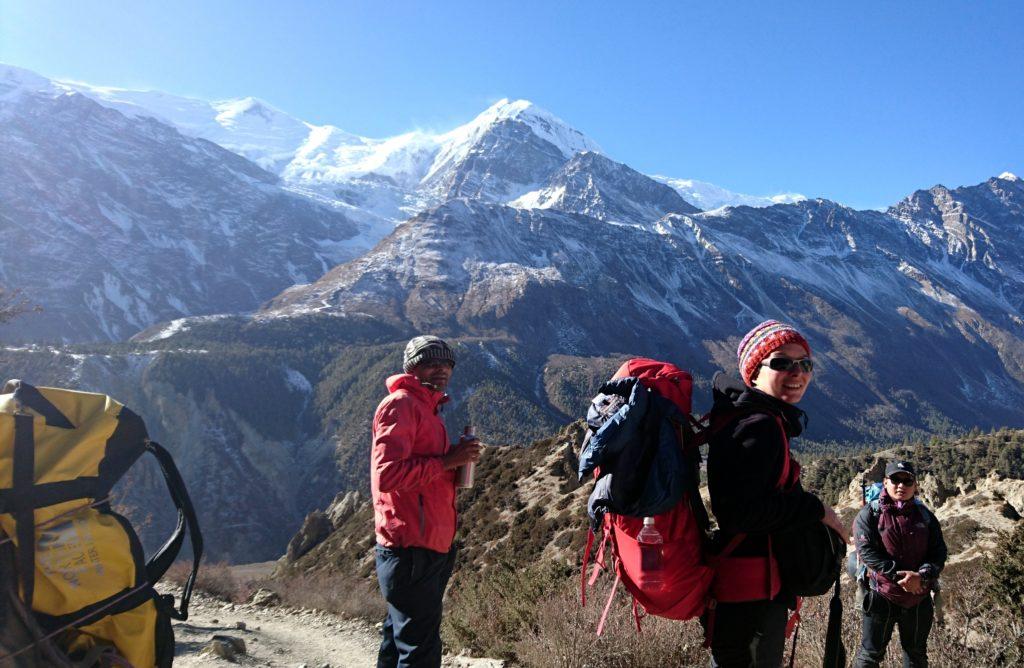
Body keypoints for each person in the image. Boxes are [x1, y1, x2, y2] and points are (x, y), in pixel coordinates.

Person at [705, 319, 848, 667]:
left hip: (742, 590)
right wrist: (816, 510)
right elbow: (742, 512)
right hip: (752, 593)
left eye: (805, 364)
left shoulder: (747, 418)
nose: (796, 372)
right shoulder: (759, 426)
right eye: (782, 362)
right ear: (754, 372)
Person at [370, 335, 482, 668]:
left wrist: (453, 461)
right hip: (411, 548)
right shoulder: (401, 405)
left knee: (398, 641)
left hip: (428, 545)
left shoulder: (427, 410)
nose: (442, 369)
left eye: (447, 363)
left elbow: (422, 476)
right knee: (420, 652)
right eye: (431, 362)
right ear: (412, 366)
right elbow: (387, 476)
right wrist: (447, 462)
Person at [852, 461, 947, 668]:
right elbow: (866, 552)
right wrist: (902, 577)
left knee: (916, 657)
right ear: (885, 482)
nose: (901, 485)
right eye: (895, 480)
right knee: (870, 656)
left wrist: (922, 576)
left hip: (918, 597)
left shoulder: (926, 516)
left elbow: (939, 552)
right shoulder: (870, 514)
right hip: (882, 595)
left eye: (907, 481)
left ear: (915, 485)